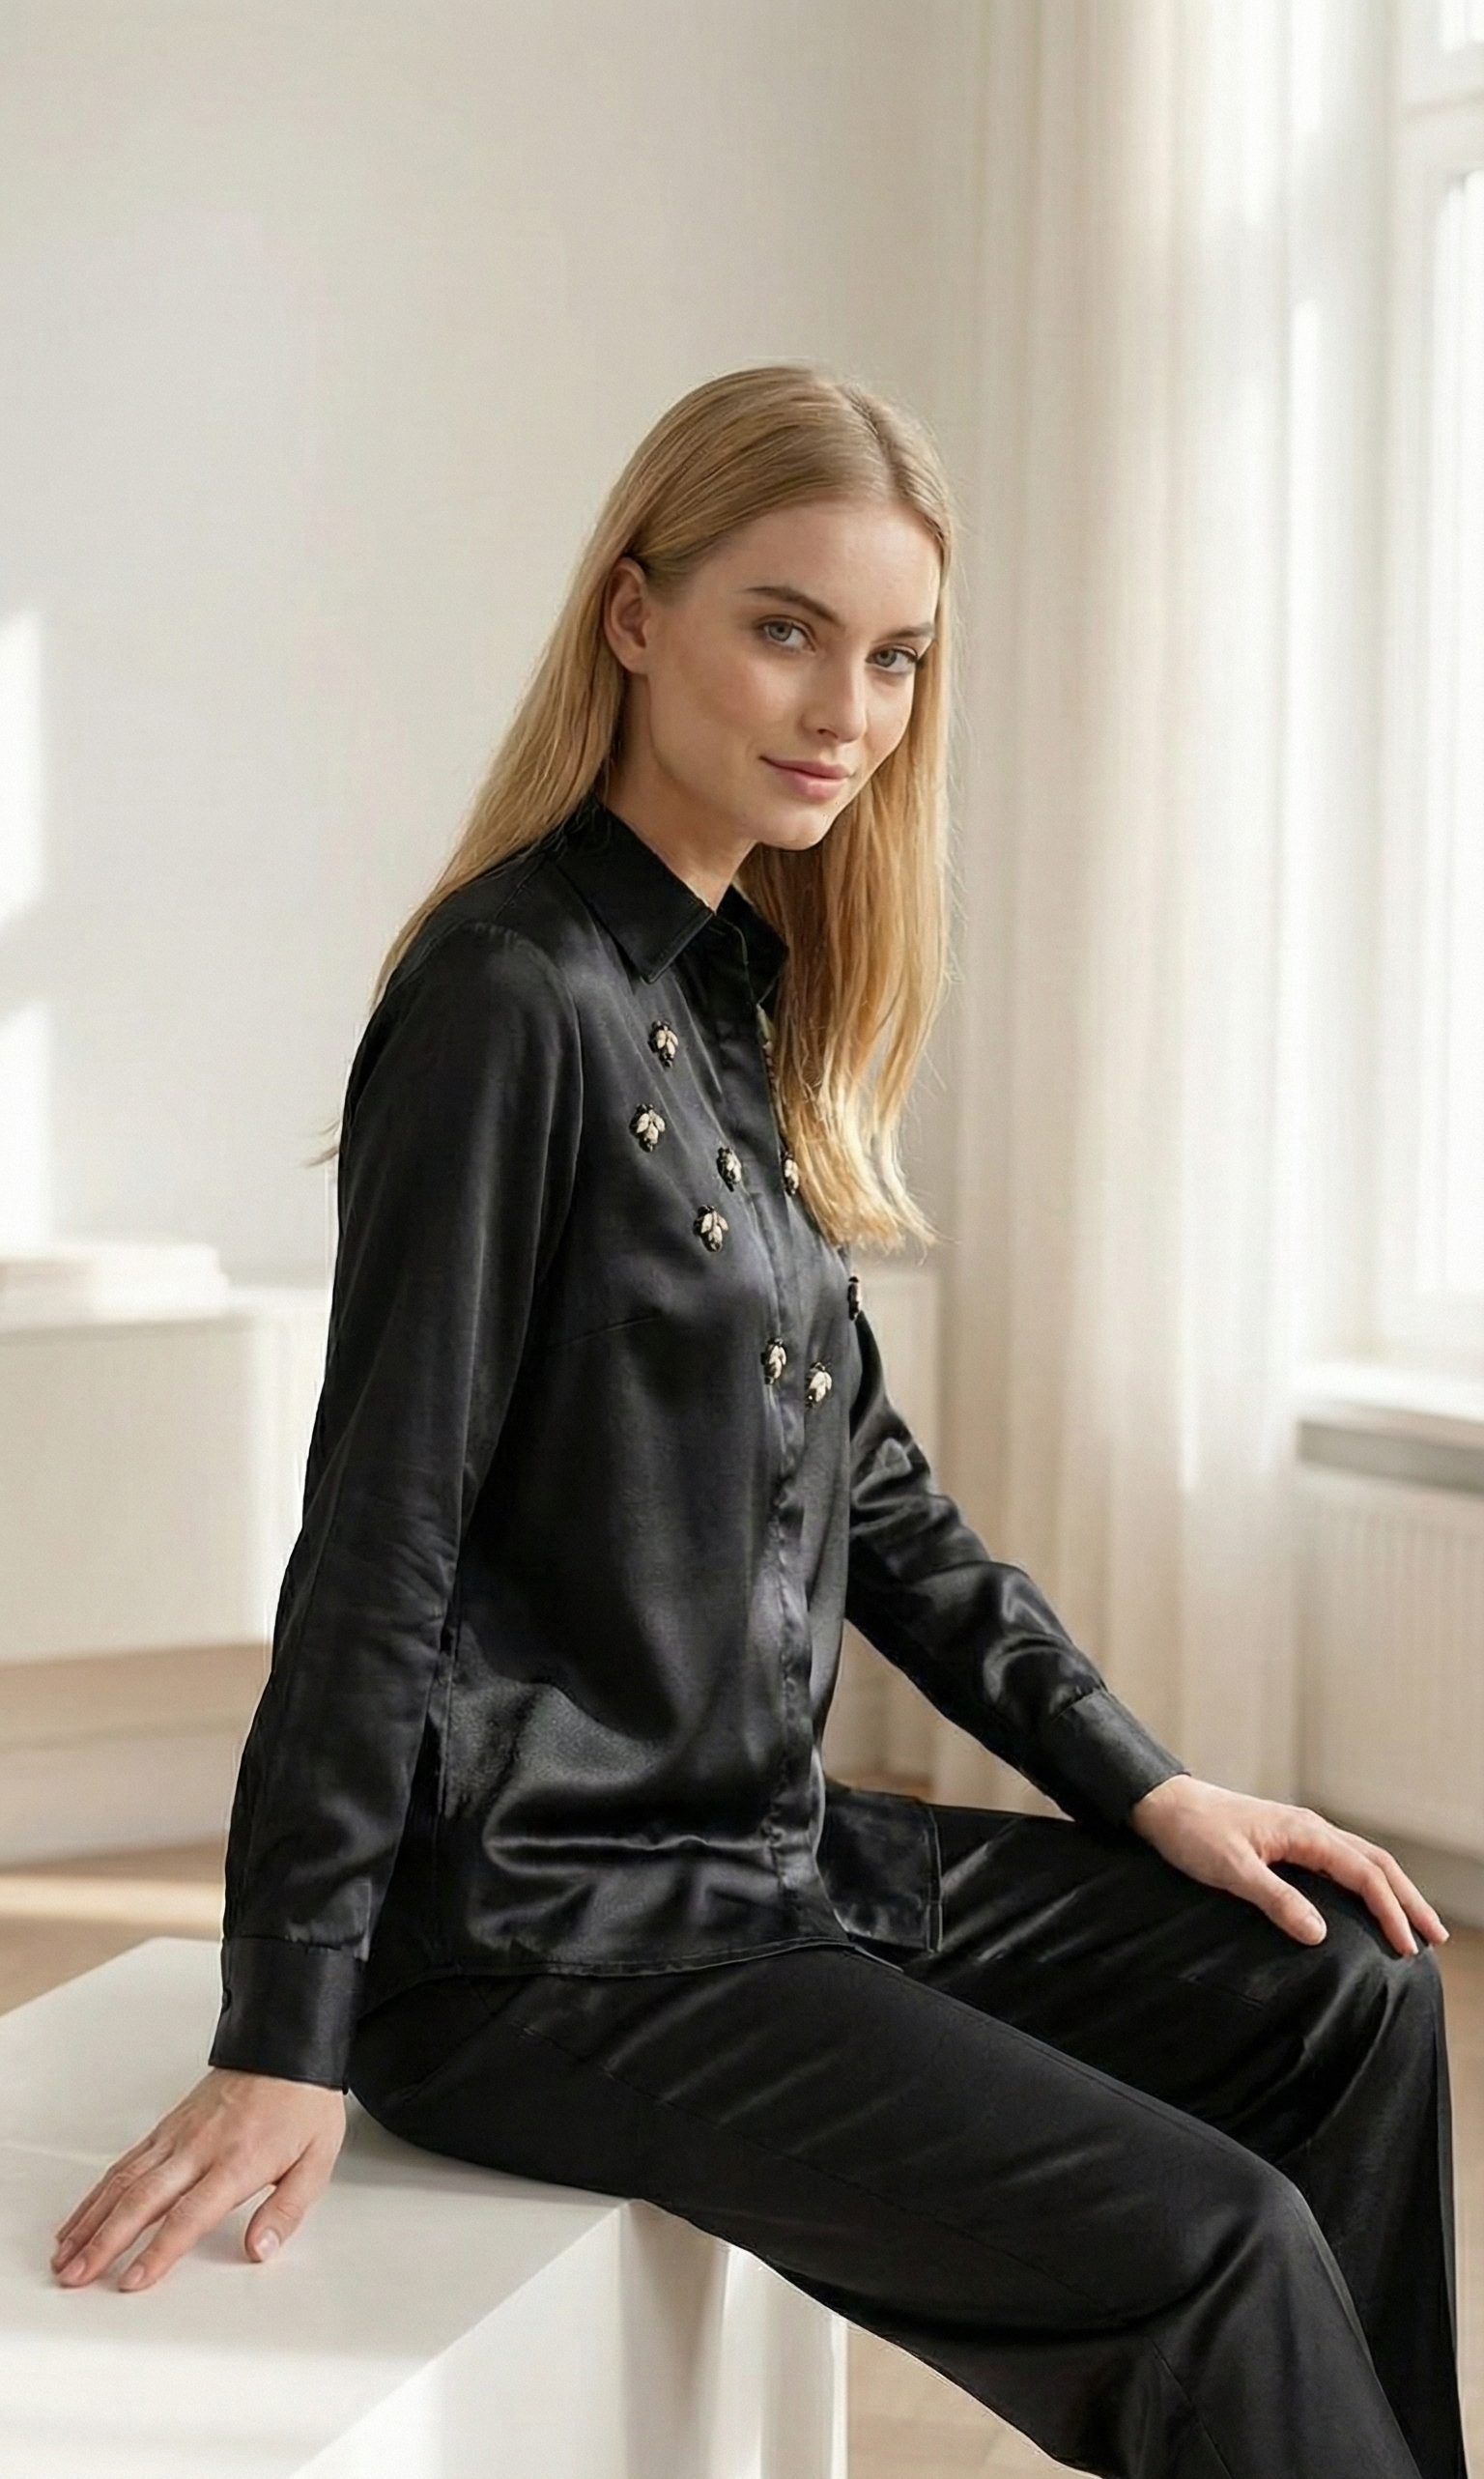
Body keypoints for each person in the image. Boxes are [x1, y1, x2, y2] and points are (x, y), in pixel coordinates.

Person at [51, 364, 1466, 2479]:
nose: (846, 707)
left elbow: (875, 1492)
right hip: (544, 1932)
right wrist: (284, 2027)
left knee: (1345, 1986)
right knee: (1214, 2242)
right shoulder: (504, 999)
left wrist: (1147, 1786)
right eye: (783, 625)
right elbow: (381, 1541)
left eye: (893, 655)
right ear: (635, 615)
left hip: (761, 1857)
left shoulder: (732, 990)